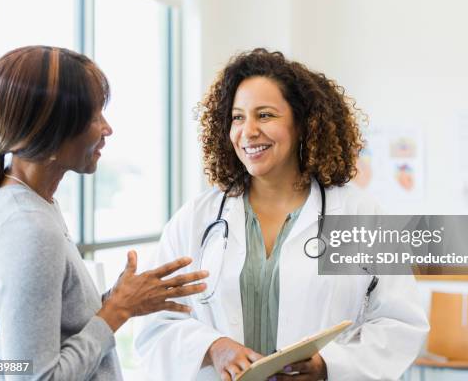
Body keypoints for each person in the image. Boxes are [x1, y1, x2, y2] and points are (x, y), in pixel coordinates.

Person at [134, 48, 429, 380]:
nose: (248, 131)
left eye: (265, 115)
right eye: (237, 117)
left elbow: (400, 322)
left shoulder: (356, 214)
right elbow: (155, 322)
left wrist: (327, 365)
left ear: (302, 123)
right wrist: (213, 346)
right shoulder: (197, 218)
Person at [0, 46, 208, 380]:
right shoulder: (29, 228)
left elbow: (52, 331)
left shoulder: (29, 202)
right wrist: (115, 311)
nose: (107, 129)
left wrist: (119, 300)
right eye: (94, 117)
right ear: (52, 129)